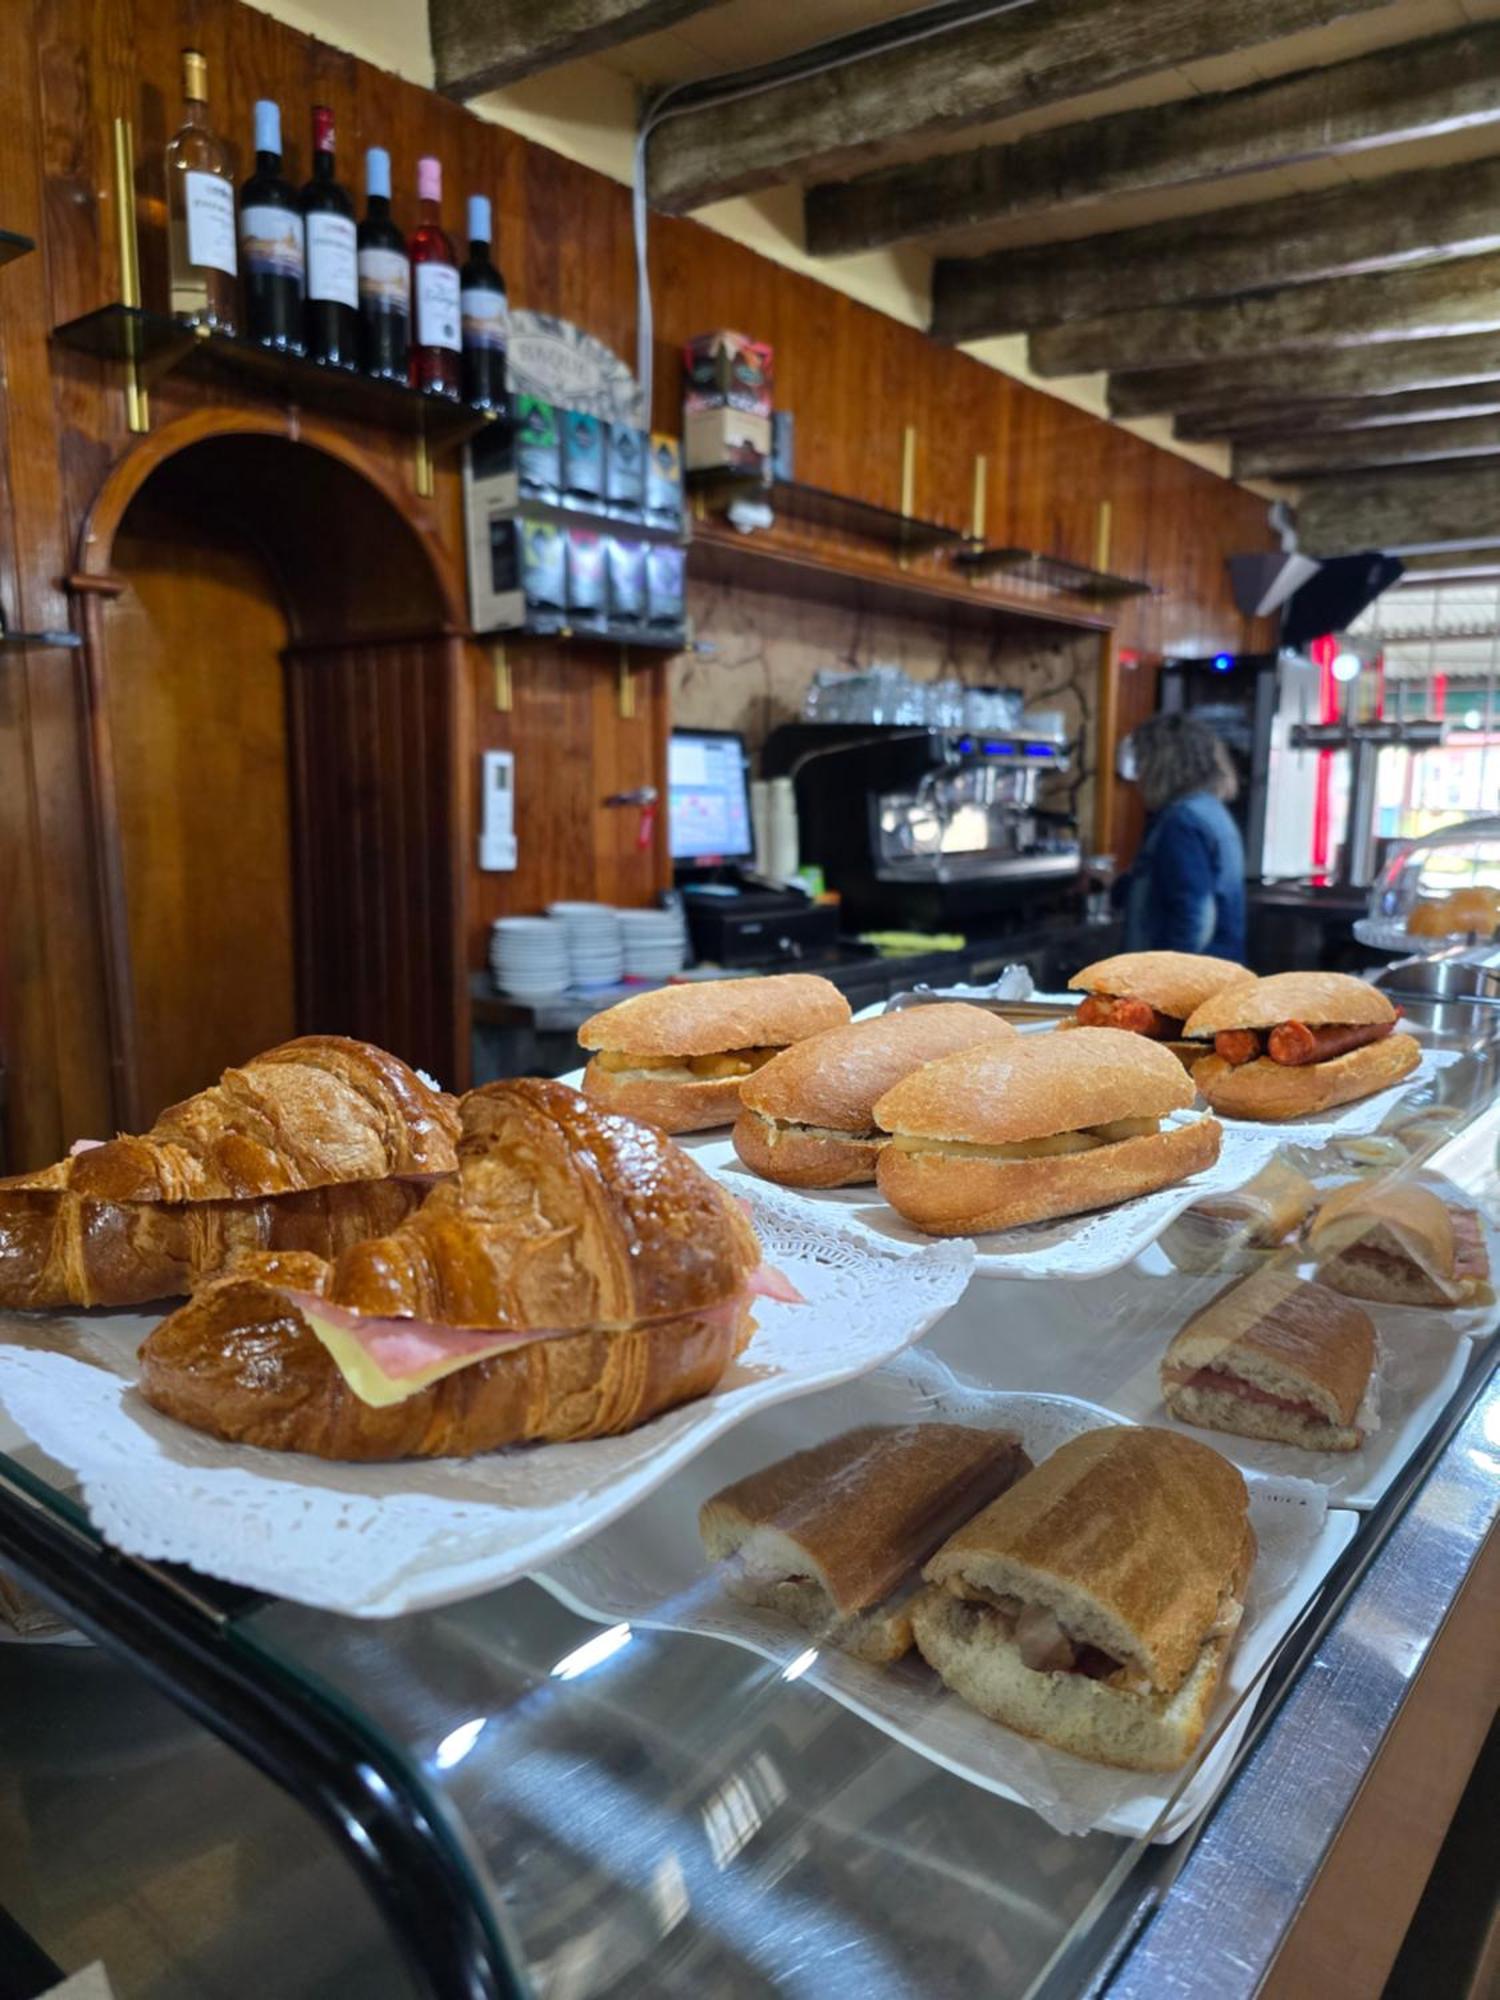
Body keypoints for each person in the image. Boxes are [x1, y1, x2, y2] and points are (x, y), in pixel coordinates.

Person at [1116, 713, 1247, 961]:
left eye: (1143, 760)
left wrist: (1163, 982)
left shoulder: (1181, 822)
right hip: (1222, 974)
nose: (1140, 774)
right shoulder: (1212, 811)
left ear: (1162, 764)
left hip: (1190, 987)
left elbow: (1195, 917)